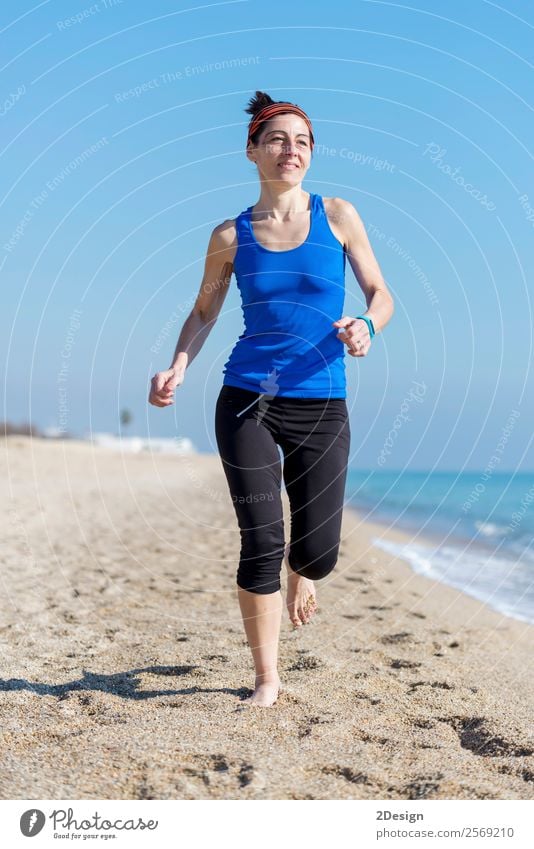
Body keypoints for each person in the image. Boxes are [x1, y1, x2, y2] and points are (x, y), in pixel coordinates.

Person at [149, 90, 394, 708]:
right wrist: (178, 363)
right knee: (261, 539)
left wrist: (367, 325)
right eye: (278, 140)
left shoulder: (338, 214)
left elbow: (381, 294)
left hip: (322, 400)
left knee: (318, 553)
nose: (292, 150)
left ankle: (303, 575)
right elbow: (204, 311)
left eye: (302, 141)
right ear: (253, 151)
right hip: (246, 400)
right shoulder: (230, 235)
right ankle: (267, 678)